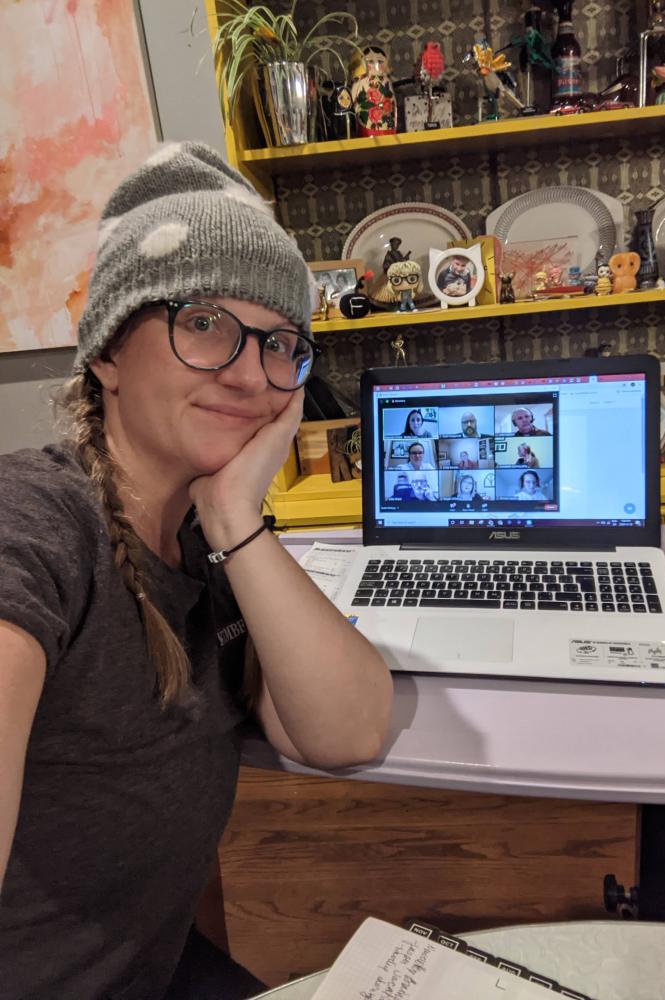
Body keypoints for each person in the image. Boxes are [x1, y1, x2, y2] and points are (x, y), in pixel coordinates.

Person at [0, 142, 393, 1000]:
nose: (251, 375)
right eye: (205, 323)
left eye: (281, 343)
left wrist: (235, 517)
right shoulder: (31, 523)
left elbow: (347, 732)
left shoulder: (210, 543)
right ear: (107, 352)